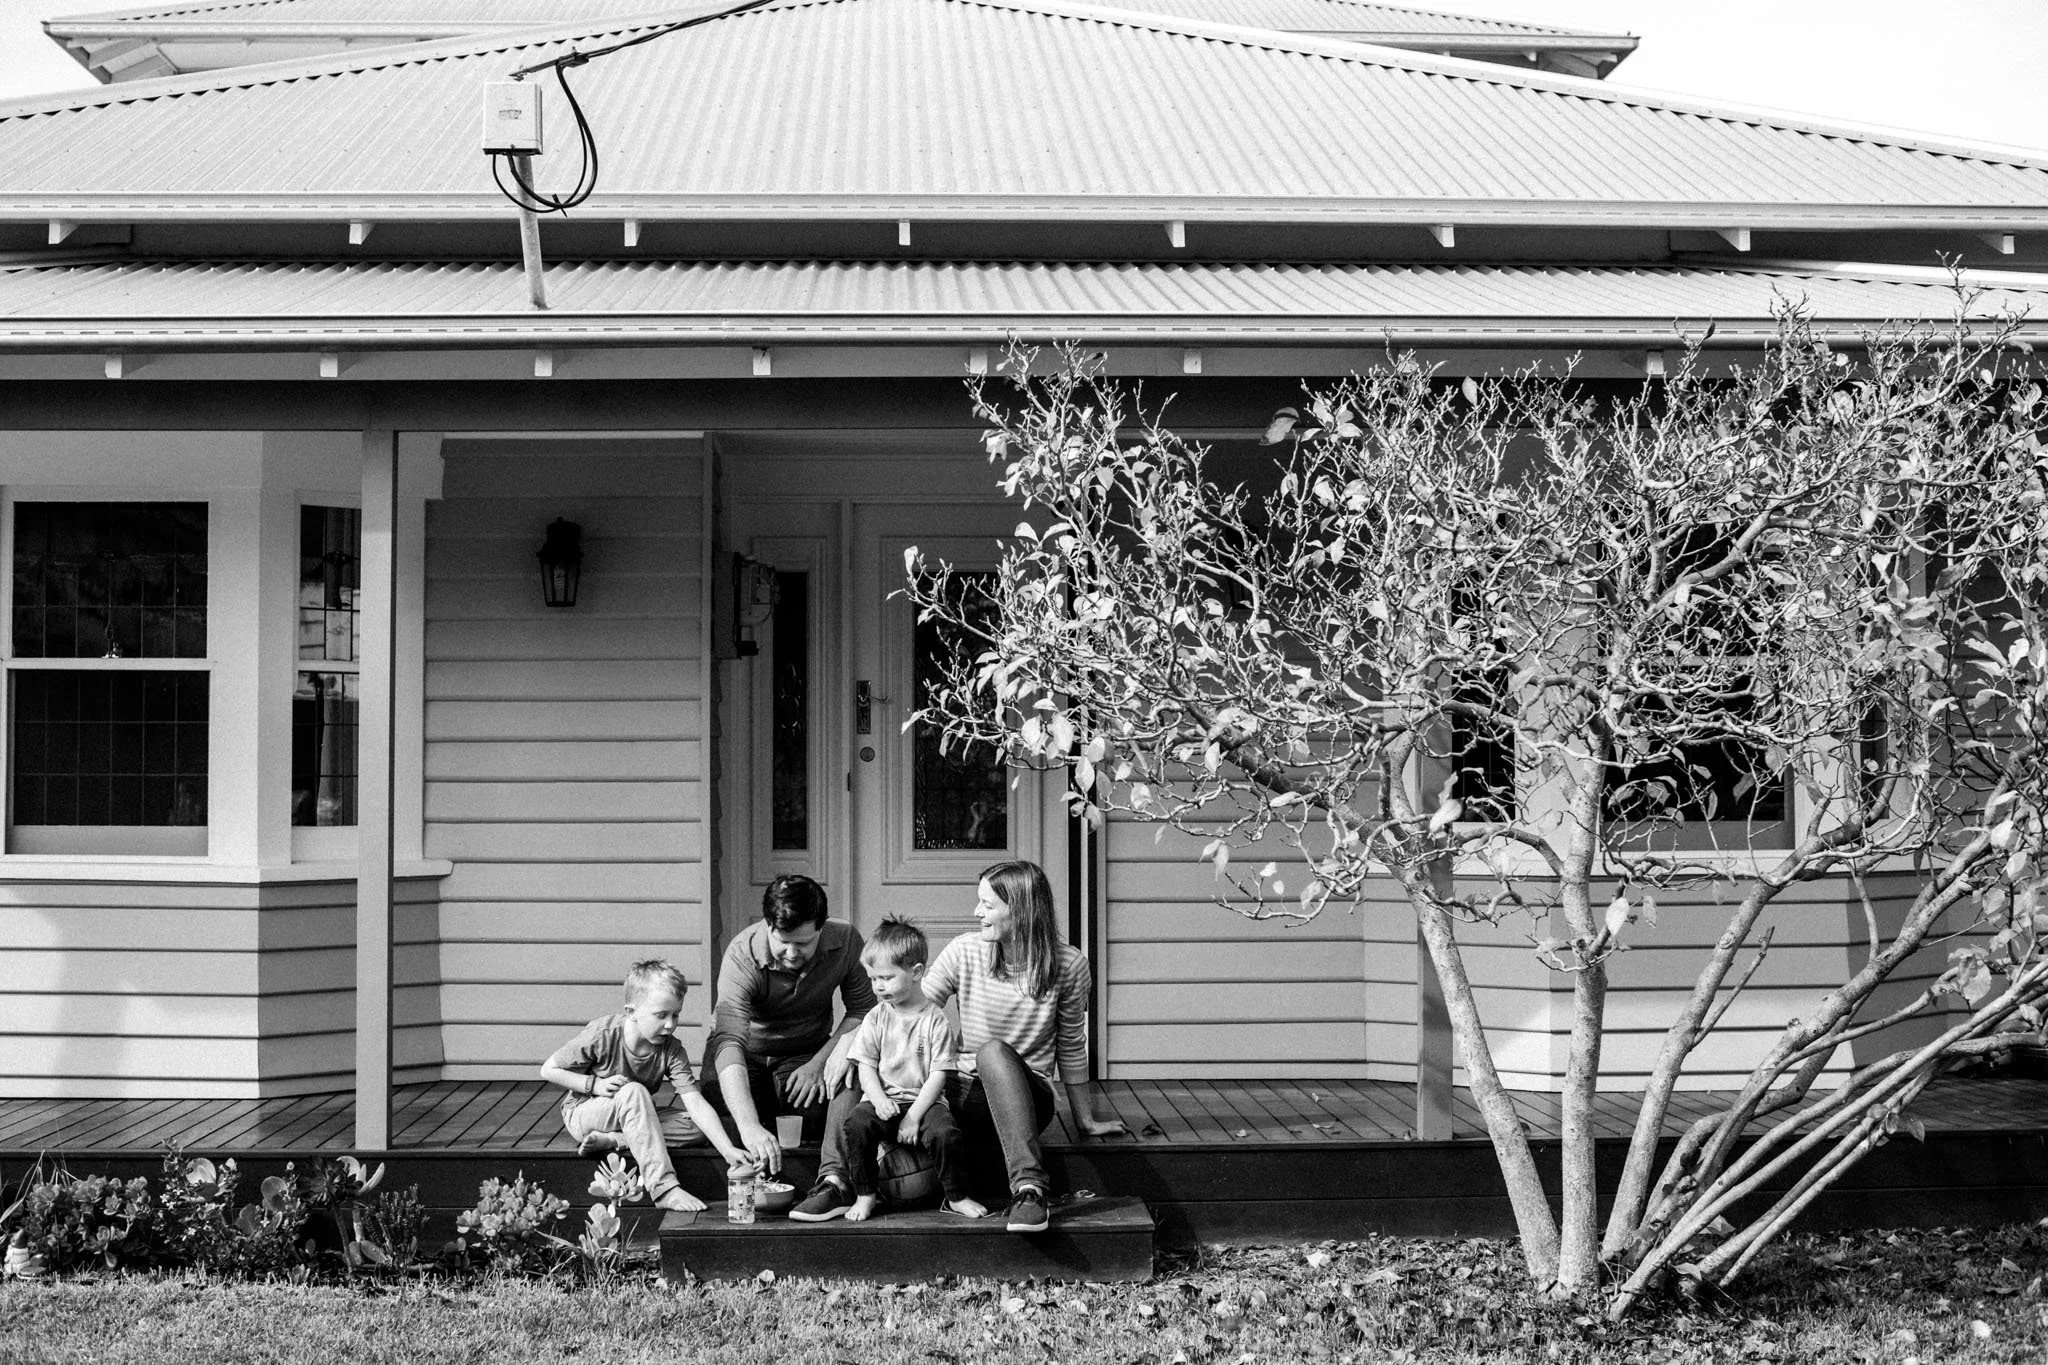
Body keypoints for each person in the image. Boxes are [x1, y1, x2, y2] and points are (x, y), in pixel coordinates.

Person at [922, 859, 1128, 1234]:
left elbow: (1071, 1044)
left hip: (1030, 1098)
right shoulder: (964, 951)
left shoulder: (1069, 965)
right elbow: (909, 1016)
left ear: (1019, 909)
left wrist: (1084, 1120)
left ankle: (1030, 1190)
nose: (976, 912)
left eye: (987, 904)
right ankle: (841, 1181)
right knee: (972, 1058)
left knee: (992, 1052)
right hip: (963, 1095)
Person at [705, 873, 874, 1203]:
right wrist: (749, 1125)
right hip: (745, 1050)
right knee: (727, 1116)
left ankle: (833, 1180)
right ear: (768, 925)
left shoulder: (846, 939)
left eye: (804, 943)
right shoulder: (741, 954)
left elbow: (863, 1009)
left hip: (805, 1049)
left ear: (821, 928)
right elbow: (729, 1043)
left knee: (815, 1113)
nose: (793, 953)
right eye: (783, 942)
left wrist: (821, 1060)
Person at [539, 958, 752, 1213]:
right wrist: (594, 1084)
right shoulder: (603, 1034)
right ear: (631, 1012)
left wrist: (727, 1149)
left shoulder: (671, 1049)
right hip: (586, 1112)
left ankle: (617, 1139)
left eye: (675, 1015)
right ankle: (664, 1188)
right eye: (661, 1015)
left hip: (633, 1116)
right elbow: (548, 1069)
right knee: (634, 1091)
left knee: (697, 1126)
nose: (670, 1024)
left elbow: (694, 1102)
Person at [813, 917, 986, 1223]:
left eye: (887, 978)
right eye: (873, 979)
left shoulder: (935, 1020)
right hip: (883, 1099)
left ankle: (957, 1196)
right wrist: (878, 1099)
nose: (878, 986)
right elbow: (866, 1066)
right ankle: (865, 1194)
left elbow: (938, 1075)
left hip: (924, 1102)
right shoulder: (876, 1018)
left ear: (916, 973)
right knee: (857, 1124)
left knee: (945, 1133)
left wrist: (914, 1116)